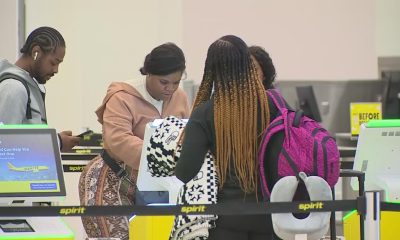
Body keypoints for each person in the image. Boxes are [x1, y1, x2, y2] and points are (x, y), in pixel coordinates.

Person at [79, 42, 190, 240]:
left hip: (155, 187)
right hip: (112, 180)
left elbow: (184, 134)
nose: (170, 89)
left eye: (176, 82)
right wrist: (162, 156)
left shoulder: (179, 97)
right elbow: (118, 139)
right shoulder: (122, 97)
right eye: (164, 82)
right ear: (148, 73)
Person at [175, 35, 283, 240]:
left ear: (212, 69)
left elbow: (185, 172)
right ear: (247, 64)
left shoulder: (205, 113)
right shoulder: (272, 106)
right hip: (270, 217)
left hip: (226, 220)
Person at [0, 26, 80, 151]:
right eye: (53, 63)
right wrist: (57, 142)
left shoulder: (28, 86)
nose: (56, 70)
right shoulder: (14, 88)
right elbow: (5, 146)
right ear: (35, 52)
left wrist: (56, 138)